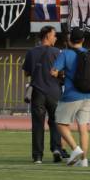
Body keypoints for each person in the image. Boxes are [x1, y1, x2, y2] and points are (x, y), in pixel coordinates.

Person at [51, 29, 90, 167]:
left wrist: (62, 75)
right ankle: (84, 160)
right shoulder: (89, 53)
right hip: (88, 95)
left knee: (59, 122)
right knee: (83, 128)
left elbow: (53, 72)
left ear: (70, 40)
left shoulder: (65, 53)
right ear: (83, 40)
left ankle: (75, 149)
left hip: (72, 95)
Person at [23, 26, 63, 164]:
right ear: (47, 36)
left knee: (38, 124)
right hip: (54, 91)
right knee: (56, 121)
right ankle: (57, 148)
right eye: (54, 35)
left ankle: (38, 156)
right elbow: (62, 72)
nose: (56, 38)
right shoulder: (57, 52)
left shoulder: (31, 52)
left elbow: (26, 73)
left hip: (38, 92)